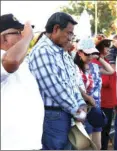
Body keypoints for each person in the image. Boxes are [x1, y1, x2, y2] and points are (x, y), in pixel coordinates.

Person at [28, 12, 87, 150]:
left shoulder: (58, 51)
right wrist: (77, 110)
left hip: (64, 112)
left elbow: (72, 82)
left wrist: (80, 103)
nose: (70, 37)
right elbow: (54, 88)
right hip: (53, 115)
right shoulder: (43, 51)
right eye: (69, 33)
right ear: (55, 29)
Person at [1, 14, 44, 150]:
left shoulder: (21, 59)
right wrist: (28, 37)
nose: (22, 36)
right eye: (18, 32)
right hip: (11, 144)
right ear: (3, 37)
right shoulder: (6, 57)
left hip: (28, 143)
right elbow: (10, 62)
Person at [74, 37, 114, 149]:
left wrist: (100, 58)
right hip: (83, 109)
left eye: (92, 53)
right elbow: (75, 87)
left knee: (97, 145)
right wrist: (86, 97)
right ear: (79, 53)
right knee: (86, 144)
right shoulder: (74, 68)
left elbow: (111, 71)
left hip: (96, 108)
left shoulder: (95, 67)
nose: (90, 57)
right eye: (88, 54)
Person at [92, 34, 117, 150]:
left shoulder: (105, 61)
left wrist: (115, 102)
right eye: (106, 46)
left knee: (105, 132)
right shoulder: (96, 62)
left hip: (109, 102)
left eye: (109, 45)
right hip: (102, 102)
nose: (109, 48)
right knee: (102, 134)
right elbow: (103, 83)